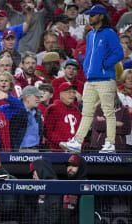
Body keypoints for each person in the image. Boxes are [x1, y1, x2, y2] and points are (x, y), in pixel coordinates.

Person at [60, 5, 124, 153]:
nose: (90, 17)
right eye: (90, 15)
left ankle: (110, 143)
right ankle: (77, 142)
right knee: (87, 112)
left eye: (93, 15)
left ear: (101, 16)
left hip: (105, 79)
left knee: (108, 111)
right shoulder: (90, 34)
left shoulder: (109, 33)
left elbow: (119, 53)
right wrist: (87, 66)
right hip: (91, 80)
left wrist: (104, 64)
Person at [29, 158, 62, 224]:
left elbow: (55, 212)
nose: (33, 176)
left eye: (34, 172)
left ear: (41, 170)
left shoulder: (54, 185)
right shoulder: (39, 189)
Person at [58, 154, 88, 224]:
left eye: (74, 165)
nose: (70, 168)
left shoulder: (87, 186)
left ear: (81, 168)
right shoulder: (66, 185)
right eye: (68, 165)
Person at [44, 83, 82, 152]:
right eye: (69, 92)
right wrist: (61, 143)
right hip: (56, 151)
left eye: (74, 92)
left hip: (75, 151)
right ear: (61, 93)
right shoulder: (53, 108)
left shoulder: (77, 111)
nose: (72, 95)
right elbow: (48, 132)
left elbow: (81, 131)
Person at [9, 86, 43, 152]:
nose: (39, 99)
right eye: (36, 96)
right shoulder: (17, 112)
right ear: (27, 97)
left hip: (36, 149)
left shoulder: (37, 113)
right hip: (21, 150)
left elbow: (40, 132)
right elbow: (12, 134)